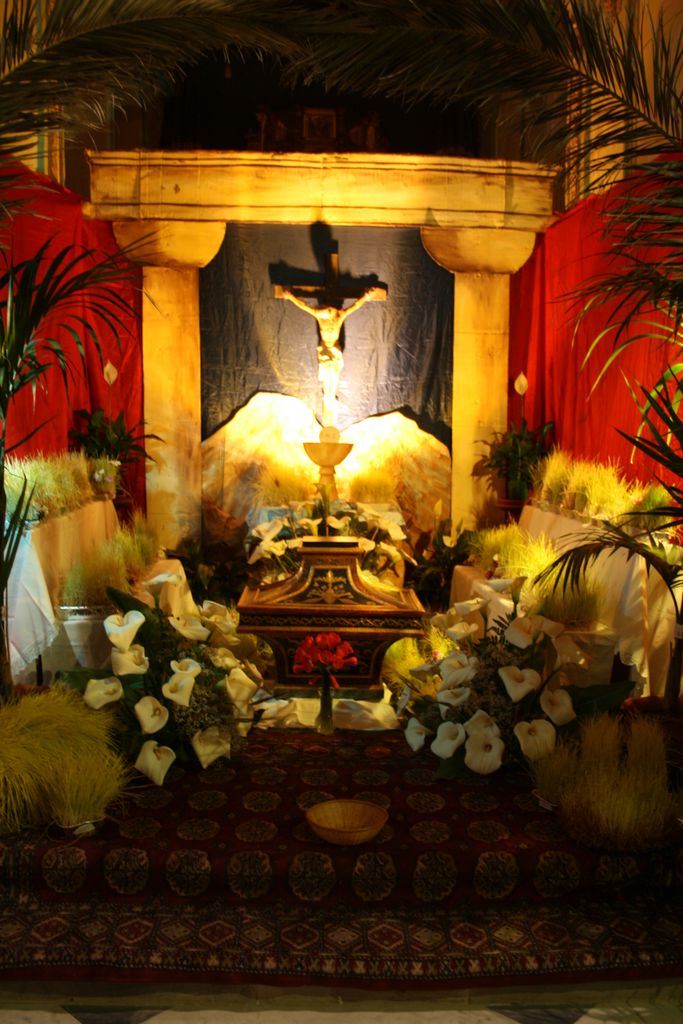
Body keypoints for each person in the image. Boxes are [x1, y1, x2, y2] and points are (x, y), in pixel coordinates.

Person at [278, 285, 385, 425]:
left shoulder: (337, 315)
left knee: (332, 381)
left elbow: (354, 307)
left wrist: (365, 297)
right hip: (324, 352)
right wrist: (291, 297)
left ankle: (330, 403)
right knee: (326, 381)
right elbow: (304, 306)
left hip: (334, 352)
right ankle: (328, 403)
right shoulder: (323, 314)